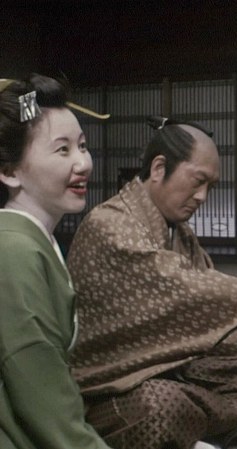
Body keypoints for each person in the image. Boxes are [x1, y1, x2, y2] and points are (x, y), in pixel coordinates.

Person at [67, 116, 237, 449]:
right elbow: (185, 286)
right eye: (198, 181)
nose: (202, 196)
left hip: (179, 366)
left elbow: (208, 299)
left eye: (210, 187)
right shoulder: (109, 225)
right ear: (159, 168)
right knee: (163, 407)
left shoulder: (179, 232)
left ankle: (205, 430)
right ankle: (214, 429)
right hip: (117, 381)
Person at [0, 74, 111, 448]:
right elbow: (40, 391)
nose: (83, 163)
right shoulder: (13, 250)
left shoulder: (32, 240)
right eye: (62, 150)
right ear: (9, 171)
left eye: (83, 146)